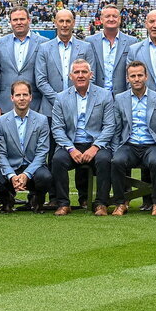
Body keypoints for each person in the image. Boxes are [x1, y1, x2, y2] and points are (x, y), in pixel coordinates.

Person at [36, 8, 97, 206]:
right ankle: (55, 197)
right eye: (61, 21)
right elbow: (41, 80)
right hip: (51, 108)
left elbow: (89, 76)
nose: (64, 24)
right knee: (54, 154)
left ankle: (84, 197)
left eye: (68, 21)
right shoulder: (44, 48)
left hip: (81, 107)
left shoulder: (85, 47)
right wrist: (61, 101)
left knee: (81, 147)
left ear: (73, 23)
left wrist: (71, 101)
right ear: (55, 22)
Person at [51, 59, 116, 216]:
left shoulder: (105, 95)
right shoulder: (61, 98)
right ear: (70, 76)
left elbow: (109, 126)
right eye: (77, 72)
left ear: (91, 75)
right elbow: (57, 128)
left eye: (84, 72)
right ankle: (63, 203)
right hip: (71, 144)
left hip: (96, 143)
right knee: (57, 160)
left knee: (104, 160)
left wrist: (95, 147)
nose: (80, 75)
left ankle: (101, 203)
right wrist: (71, 149)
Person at [0, 80, 52, 214]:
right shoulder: (1, 121)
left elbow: (42, 152)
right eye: (18, 95)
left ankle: (37, 201)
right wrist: (11, 175)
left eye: (25, 94)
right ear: (12, 98)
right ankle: (7, 201)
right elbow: (0, 153)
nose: (21, 98)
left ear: (31, 97)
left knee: (46, 177)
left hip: (33, 166)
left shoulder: (42, 120)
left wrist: (26, 174)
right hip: (11, 166)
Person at [110, 61, 156, 216]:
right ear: (127, 78)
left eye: (140, 75)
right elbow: (116, 129)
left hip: (152, 144)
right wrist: (116, 150)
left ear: (146, 77)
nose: (136, 79)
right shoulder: (120, 99)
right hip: (129, 144)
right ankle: (120, 203)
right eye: (133, 76)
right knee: (117, 161)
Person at [0, 7, 47, 116]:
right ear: (10, 22)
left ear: (29, 20)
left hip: (35, 104)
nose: (19, 23)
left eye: (22, 19)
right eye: (15, 20)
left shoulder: (43, 44)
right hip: (6, 104)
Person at [85, 5, 139, 95]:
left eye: (114, 16)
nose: (111, 19)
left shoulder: (132, 42)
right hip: (97, 96)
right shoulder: (90, 42)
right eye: (107, 16)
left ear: (120, 19)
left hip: (123, 96)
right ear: (101, 19)